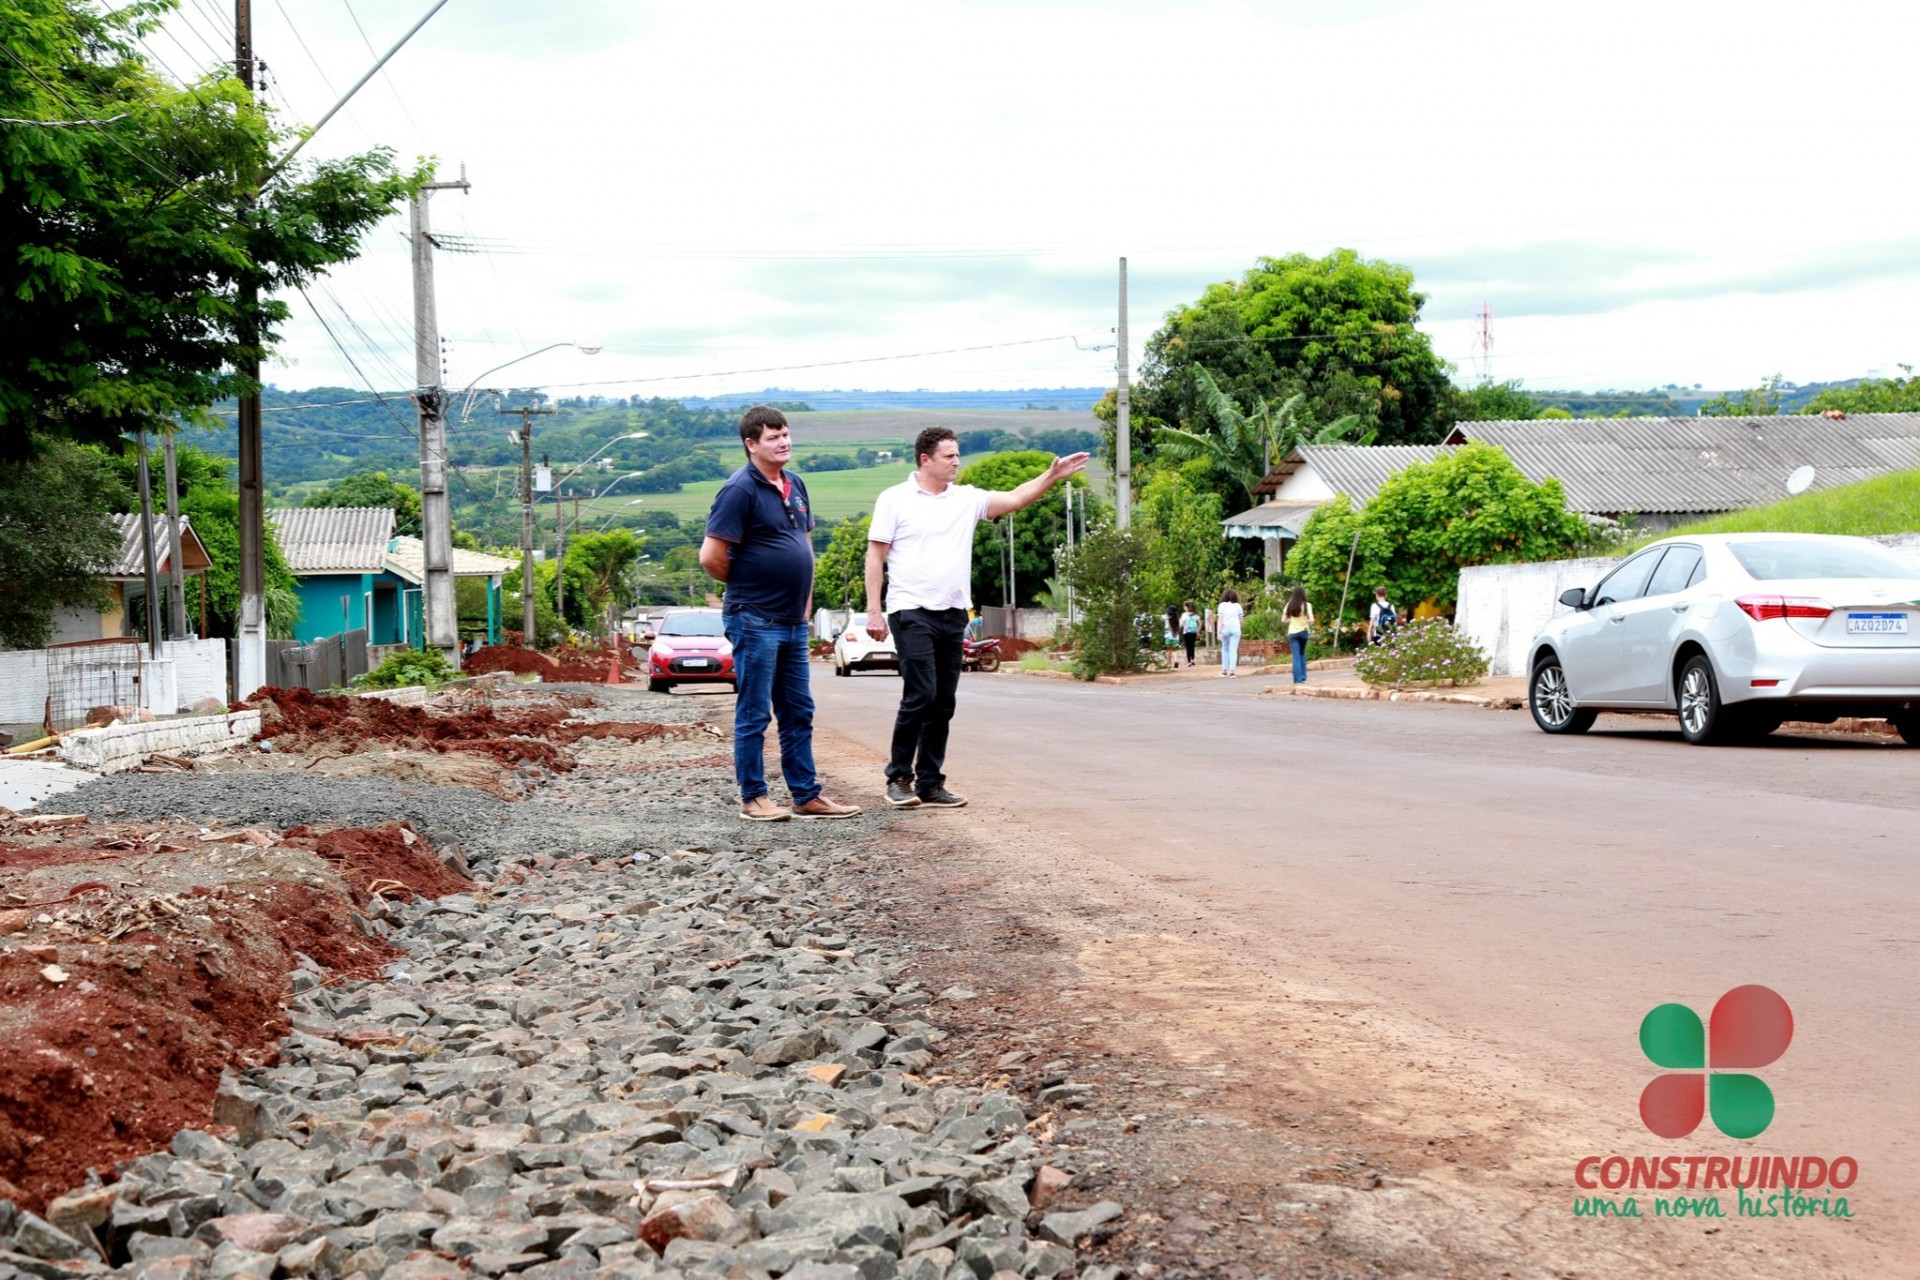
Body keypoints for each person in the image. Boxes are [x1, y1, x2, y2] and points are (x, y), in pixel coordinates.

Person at [865, 427, 1088, 808]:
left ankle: (930, 783)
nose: (957, 461)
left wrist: (1052, 476)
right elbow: (875, 555)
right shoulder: (894, 500)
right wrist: (874, 609)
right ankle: (899, 777)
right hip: (910, 609)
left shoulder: (966, 500)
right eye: (949, 456)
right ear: (925, 459)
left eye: (957, 454)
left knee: (944, 701)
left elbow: (1016, 498)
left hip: (952, 612)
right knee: (921, 694)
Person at [700, 406, 861, 822]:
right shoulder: (739, 490)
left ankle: (806, 794)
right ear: (751, 445)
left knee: (798, 710)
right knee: (754, 711)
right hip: (754, 618)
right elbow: (711, 557)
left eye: (786, 434)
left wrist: (803, 597)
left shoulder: (796, 483)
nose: (784, 442)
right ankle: (753, 797)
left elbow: (803, 544)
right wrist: (750, 585)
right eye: (773, 437)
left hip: (791, 620)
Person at [1284, 585, 1314, 684]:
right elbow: (1312, 620)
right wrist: (1305, 620)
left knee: (1295, 656)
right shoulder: (1307, 605)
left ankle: (1297, 679)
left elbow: (1283, 620)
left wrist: (1292, 620)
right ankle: (1303, 676)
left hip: (1292, 632)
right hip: (1304, 632)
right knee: (1302, 654)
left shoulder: (1289, 605)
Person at [1215, 590, 1244, 677]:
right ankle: (1232, 671)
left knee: (1225, 649)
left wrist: (1218, 632)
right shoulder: (1238, 606)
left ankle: (1224, 670)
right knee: (1233, 650)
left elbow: (1220, 619)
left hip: (1225, 628)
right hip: (1235, 628)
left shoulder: (1222, 605)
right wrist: (1240, 628)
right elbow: (1241, 620)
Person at [1178, 601, 1200, 668]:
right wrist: (1198, 631)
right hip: (1194, 632)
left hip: (1187, 632)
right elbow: (1200, 622)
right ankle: (1193, 660)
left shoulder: (1184, 615)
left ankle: (1189, 661)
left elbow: (1181, 624)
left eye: (1184, 606)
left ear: (1186, 607)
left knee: (1188, 647)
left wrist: (1178, 629)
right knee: (1192, 646)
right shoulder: (1195, 614)